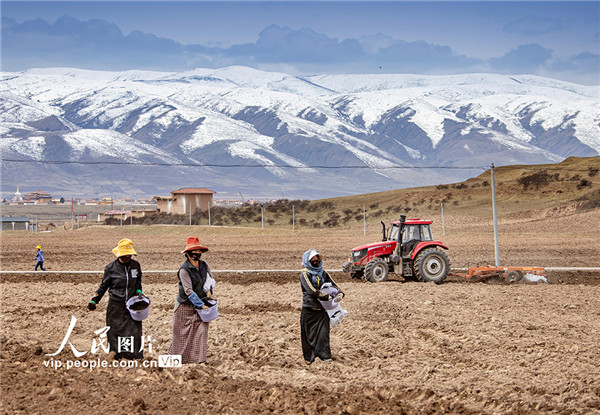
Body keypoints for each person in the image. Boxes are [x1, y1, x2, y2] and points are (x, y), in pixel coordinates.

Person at [87, 239, 144, 360]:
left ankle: (134, 357)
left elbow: (138, 282)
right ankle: (117, 357)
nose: (128, 257)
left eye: (129, 255)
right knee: (116, 332)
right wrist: (94, 300)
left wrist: (139, 291)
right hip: (116, 306)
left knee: (134, 331)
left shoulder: (135, 266)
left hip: (132, 306)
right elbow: (103, 286)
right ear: (119, 254)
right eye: (125, 255)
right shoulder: (110, 268)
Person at [168, 236, 215, 364]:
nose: (196, 254)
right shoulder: (184, 270)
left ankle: (199, 360)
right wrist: (201, 305)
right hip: (185, 306)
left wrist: (209, 290)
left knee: (201, 331)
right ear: (188, 254)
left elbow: (209, 279)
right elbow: (188, 291)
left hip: (201, 305)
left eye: (198, 251)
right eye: (193, 252)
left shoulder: (204, 266)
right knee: (181, 335)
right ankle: (176, 360)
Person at [300, 249, 344, 364]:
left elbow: (334, 285)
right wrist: (324, 296)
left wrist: (340, 293)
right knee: (308, 335)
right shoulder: (305, 274)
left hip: (323, 310)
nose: (316, 263)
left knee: (323, 334)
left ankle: (325, 356)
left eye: (317, 260)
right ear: (308, 261)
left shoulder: (323, 273)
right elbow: (311, 290)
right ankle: (309, 358)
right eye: (313, 261)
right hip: (309, 309)